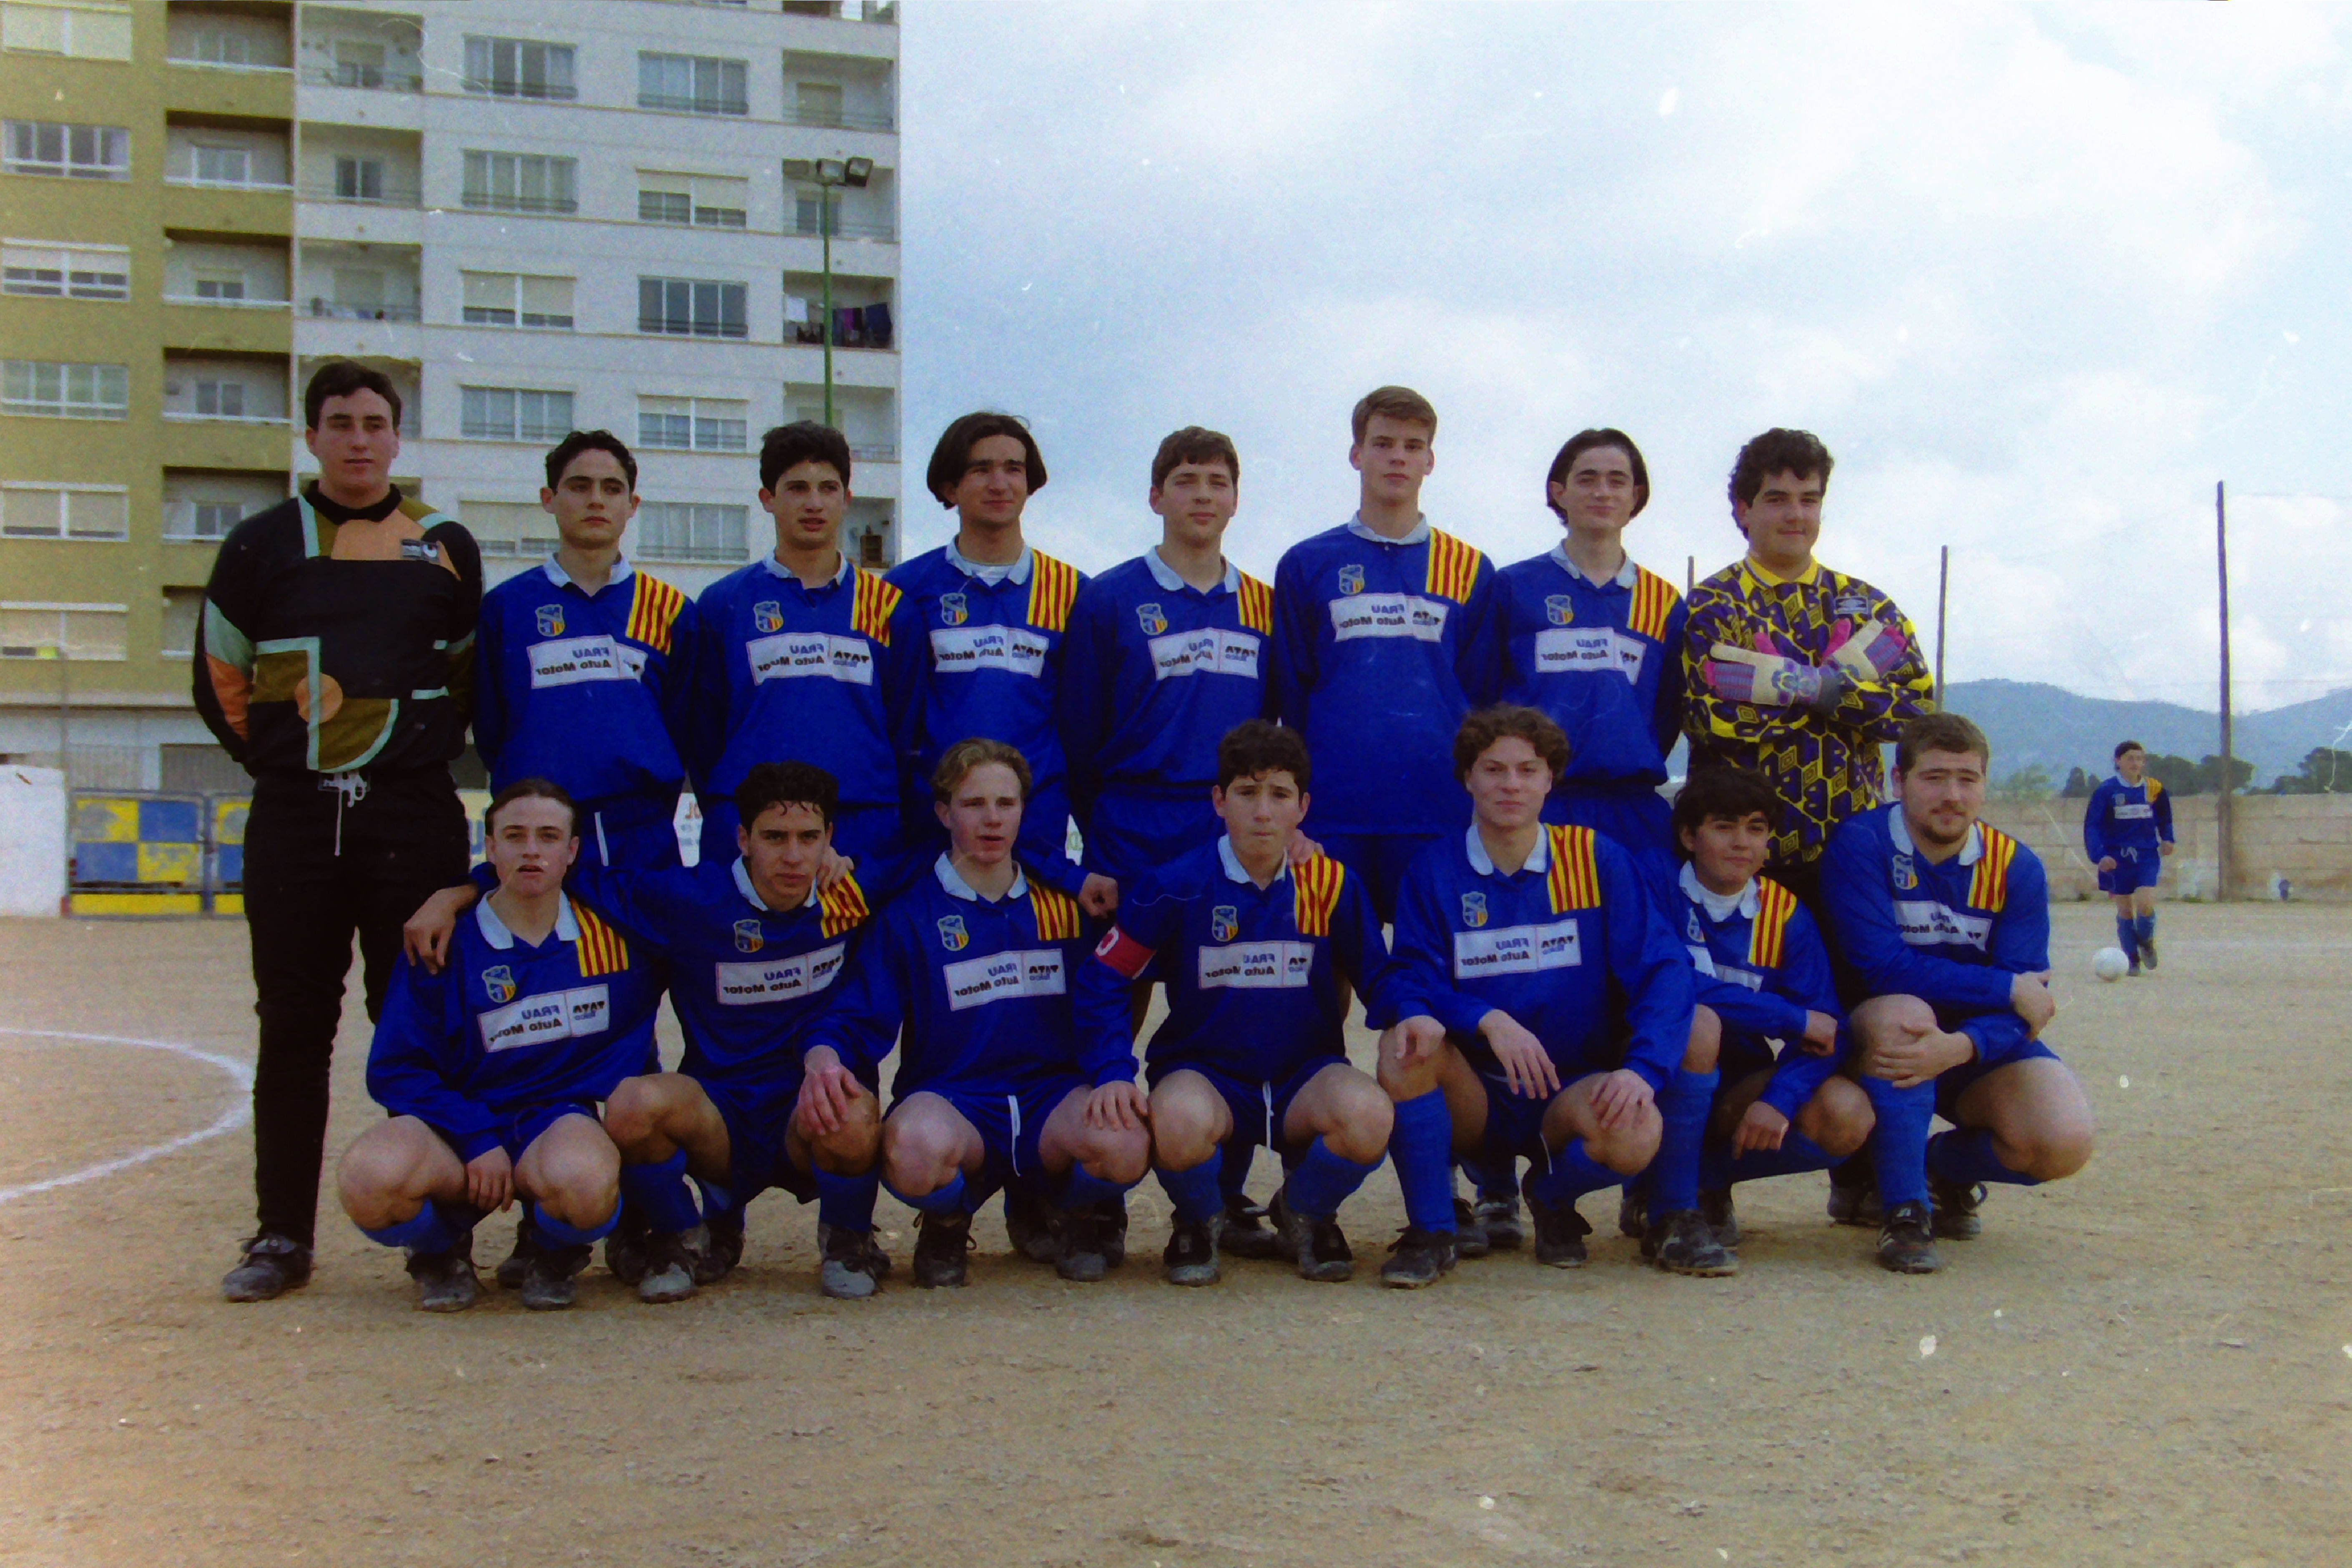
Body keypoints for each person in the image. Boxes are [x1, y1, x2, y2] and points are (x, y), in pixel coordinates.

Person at [196, 359, 482, 1303]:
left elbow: (467, 682)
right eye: (339, 422)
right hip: (295, 817)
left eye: (373, 423)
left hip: (411, 816)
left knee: (417, 1023)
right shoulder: (258, 545)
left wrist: (388, 760)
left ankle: (435, 1238)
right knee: (292, 1027)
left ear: (397, 437)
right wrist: (299, 764)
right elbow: (219, 680)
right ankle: (281, 1236)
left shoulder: (443, 546)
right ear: (311, 434)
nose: (358, 439)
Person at [402, 763, 897, 1304]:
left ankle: (848, 1239)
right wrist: (459, 893)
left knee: (853, 1106)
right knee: (633, 1103)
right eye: (775, 837)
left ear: (830, 839)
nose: (794, 856)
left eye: (809, 838)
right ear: (743, 839)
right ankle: (681, 1236)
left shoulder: (849, 892)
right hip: (720, 1108)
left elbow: (927, 865)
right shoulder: (688, 900)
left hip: (807, 1104)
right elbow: (556, 873)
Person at [801, 740, 1151, 1288]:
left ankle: (1072, 1211)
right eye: (973, 804)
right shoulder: (910, 911)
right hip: (955, 1099)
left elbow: (1106, 998)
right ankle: (946, 1221)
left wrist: (1113, 1072)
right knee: (912, 1149)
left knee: (1127, 1138)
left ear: (1023, 811)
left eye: (1006, 804)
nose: (992, 819)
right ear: (944, 813)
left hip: (1049, 1099)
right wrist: (823, 1056)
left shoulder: (1067, 905)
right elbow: (857, 1013)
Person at [1382, 706, 1706, 1287]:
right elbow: (1409, 977)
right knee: (1403, 1044)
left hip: (1570, 1087)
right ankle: (1432, 1231)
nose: (1511, 784)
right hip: (1477, 1093)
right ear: (1468, 778)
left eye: (1528, 770)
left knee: (1638, 1129)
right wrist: (1485, 1018)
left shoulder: (1594, 858)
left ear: (1550, 778)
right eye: (1494, 769)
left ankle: (1552, 1195)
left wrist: (1644, 1069)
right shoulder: (1435, 869)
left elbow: (1663, 970)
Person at [1076, 722, 1400, 1286]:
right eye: (1247, 793)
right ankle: (1201, 1219)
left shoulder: (1331, 884)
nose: (1263, 812)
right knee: (1177, 1120)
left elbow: (1379, 975)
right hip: (1206, 1075)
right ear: (1219, 800)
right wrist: (1111, 1069)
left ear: (1303, 807)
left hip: (1305, 1076)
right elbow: (1104, 976)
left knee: (1370, 1114)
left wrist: (1411, 1013)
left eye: (1280, 795)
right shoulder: (1174, 883)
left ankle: (1304, 1211)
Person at [337, 781, 661, 1311]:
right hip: (456, 1128)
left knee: (586, 1181)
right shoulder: (443, 941)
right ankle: (439, 1252)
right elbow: (396, 1069)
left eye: (548, 837)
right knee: (369, 1177)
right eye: (515, 836)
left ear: (572, 851)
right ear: (490, 848)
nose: (532, 850)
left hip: (554, 1121)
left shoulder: (616, 936)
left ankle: (553, 1252)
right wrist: (475, 1135)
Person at [1820, 713, 2097, 1273]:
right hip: (1873, 1042)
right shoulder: (1862, 844)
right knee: (1905, 1016)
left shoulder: (2016, 866)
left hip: (1965, 1046)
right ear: (1899, 782)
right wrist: (2003, 986)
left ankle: (1939, 1169)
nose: (1952, 795)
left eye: (1967, 779)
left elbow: (2030, 1004)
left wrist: (1965, 1045)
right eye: (1934, 777)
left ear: (1985, 786)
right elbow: (1882, 969)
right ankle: (1905, 1212)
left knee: (2063, 1141)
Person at [1270, 385, 1502, 924]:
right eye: (1383, 444)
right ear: (1357, 454)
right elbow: (1293, 693)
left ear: (1430, 461)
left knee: (1436, 959)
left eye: (1412, 446)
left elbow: (1482, 699)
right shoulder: (1307, 563)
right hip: (1333, 812)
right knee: (1333, 960)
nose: (1398, 457)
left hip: (1437, 810)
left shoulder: (1469, 568)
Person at [1682, 429, 1935, 911]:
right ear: (1743, 509)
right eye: (1777, 499)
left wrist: (1793, 683)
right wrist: (1845, 685)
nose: (1795, 514)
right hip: (1741, 861)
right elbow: (1712, 716)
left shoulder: (1868, 606)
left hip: (1855, 857)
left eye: (1809, 499)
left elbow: (1915, 714)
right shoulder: (1712, 605)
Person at [1638, 767, 1872, 1254]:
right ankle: (1666, 1202)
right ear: (1689, 836)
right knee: (1695, 1022)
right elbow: (1671, 983)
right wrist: (1787, 1017)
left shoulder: (1786, 914)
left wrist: (1780, 1099)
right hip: (1646, 1072)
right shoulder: (1653, 882)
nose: (1741, 842)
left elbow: (1827, 1028)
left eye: (1756, 828)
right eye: (1724, 827)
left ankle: (1705, 1181)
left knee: (1846, 1112)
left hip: (1734, 1084)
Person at [888, 415, 1110, 912]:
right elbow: (898, 722)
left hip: (1037, 834)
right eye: (981, 469)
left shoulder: (1071, 591)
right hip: (935, 832)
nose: (999, 483)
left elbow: (1082, 726)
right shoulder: (907, 589)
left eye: (1013, 468)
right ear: (951, 486)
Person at [685, 422, 916, 872]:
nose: (814, 503)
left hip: (865, 821)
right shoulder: (723, 603)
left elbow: (907, 728)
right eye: (797, 488)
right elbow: (703, 734)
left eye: (828, 488)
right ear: (767, 498)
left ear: (846, 499)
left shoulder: (889, 607)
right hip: (751, 820)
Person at [1059, 426, 1277, 887]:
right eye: (1186, 481)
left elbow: (1275, 720)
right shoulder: (1108, 598)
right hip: (1132, 830)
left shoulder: (1265, 607)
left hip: (1230, 824)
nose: (1203, 495)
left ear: (1236, 501)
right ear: (1156, 498)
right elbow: (1078, 735)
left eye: (1217, 483)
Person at [472, 430, 694, 869]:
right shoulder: (507, 606)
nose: (596, 500)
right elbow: (492, 730)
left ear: (632, 505)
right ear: (549, 499)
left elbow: (685, 726)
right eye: (579, 486)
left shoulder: (670, 609)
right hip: (541, 837)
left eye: (611, 489)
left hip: (641, 835)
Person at [1497, 427, 1687, 907]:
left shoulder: (1662, 602)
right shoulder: (1514, 587)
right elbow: (1483, 697)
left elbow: (1668, 710)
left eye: (1617, 480)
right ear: (1559, 491)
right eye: (1587, 479)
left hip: (1633, 810)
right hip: (1541, 805)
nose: (1603, 492)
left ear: (1635, 495)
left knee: (1638, 938)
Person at [2083, 741, 2174, 975]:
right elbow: (2093, 826)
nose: (2136, 763)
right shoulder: (2107, 791)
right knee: (2125, 910)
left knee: (2146, 903)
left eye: (2140, 759)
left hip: (2146, 854)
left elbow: (2165, 817)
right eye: (2130, 758)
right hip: (2117, 858)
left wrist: (2168, 838)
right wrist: (2100, 855)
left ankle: (2146, 941)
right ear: (2118, 761)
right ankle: (2131, 960)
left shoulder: (2154, 788)